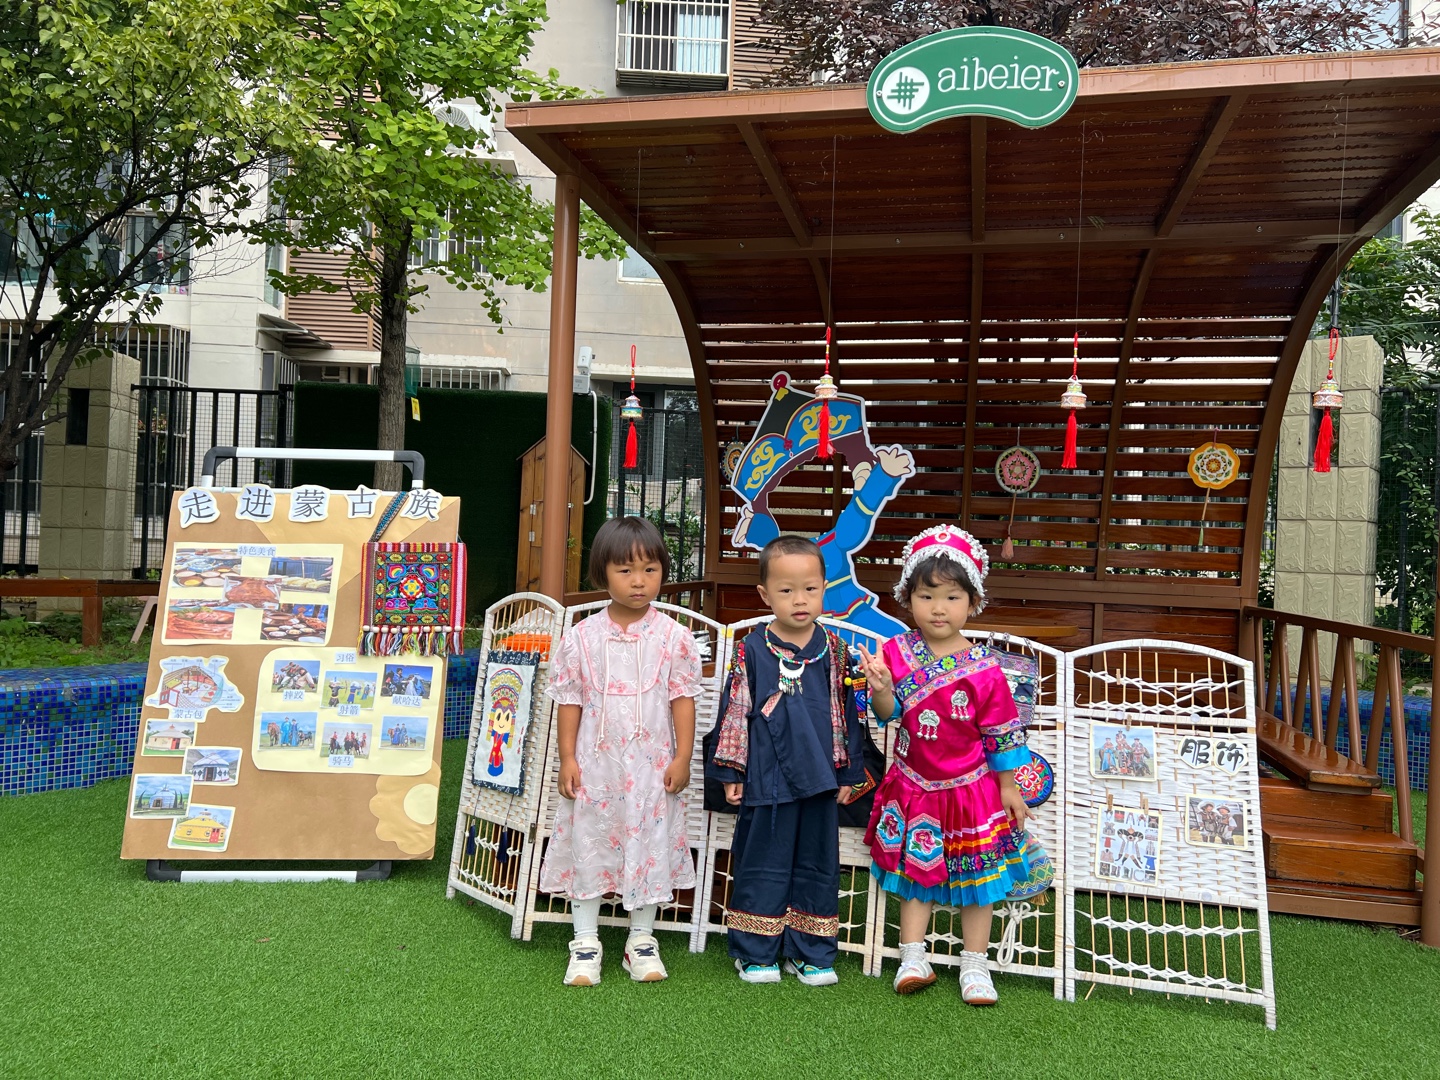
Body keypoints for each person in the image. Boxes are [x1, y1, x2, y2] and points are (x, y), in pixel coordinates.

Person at [858, 524, 1033, 1005]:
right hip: (912, 786)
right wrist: (881, 689)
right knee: (917, 872)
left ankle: (975, 965)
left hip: (972, 790)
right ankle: (912, 957)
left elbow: (1001, 734)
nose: (939, 608)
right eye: (927, 595)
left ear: (973, 603)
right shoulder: (895, 652)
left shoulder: (986, 669)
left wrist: (1009, 787)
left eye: (952, 597)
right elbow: (888, 714)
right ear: (907, 599)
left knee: (980, 882)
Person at [538, 517, 701, 987]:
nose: (638, 581)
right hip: (595, 768)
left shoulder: (674, 637)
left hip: (653, 770)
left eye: (650, 570)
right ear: (602, 573)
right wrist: (568, 759)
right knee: (588, 840)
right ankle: (585, 941)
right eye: (625, 570)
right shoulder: (581, 637)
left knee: (650, 842)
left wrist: (682, 757)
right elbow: (570, 701)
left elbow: (683, 699)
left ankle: (641, 940)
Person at [707, 535, 866, 987]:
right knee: (763, 862)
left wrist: (849, 772)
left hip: (820, 778)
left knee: (818, 863)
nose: (800, 600)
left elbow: (850, 714)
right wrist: (732, 770)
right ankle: (755, 952)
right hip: (766, 778)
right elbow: (735, 709)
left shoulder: (836, 650)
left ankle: (811, 951)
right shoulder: (751, 648)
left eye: (810, 589)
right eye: (787, 590)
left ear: (824, 589)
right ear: (764, 594)